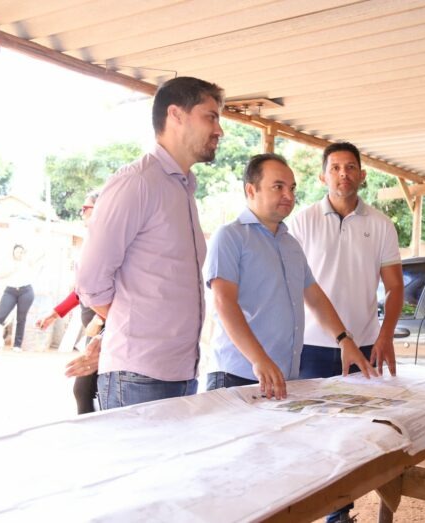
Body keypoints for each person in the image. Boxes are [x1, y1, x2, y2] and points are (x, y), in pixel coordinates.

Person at [76, 76, 224, 409]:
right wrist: (132, 326)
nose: (219, 130)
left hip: (181, 372)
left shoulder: (183, 187)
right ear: (176, 115)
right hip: (139, 375)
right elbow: (89, 280)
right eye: (211, 117)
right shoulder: (138, 183)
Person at [288, 142, 404, 523]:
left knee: (351, 436)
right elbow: (294, 284)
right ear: (322, 175)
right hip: (310, 346)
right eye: (335, 167)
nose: (343, 174)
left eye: (351, 167)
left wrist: (385, 335)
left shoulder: (381, 224)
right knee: (309, 433)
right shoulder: (302, 222)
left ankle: (339, 514)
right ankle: (310, 510)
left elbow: (395, 287)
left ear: (362, 175)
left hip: (364, 346)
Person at [204, 153, 376, 400]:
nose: (289, 195)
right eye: (278, 187)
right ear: (251, 190)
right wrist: (259, 359)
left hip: (283, 378)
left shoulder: (291, 244)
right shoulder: (230, 236)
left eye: (292, 188)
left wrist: (344, 340)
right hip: (238, 375)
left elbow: (314, 297)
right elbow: (224, 303)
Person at [36, 190, 103, 414]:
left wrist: (100, 319)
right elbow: (82, 290)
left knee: (84, 390)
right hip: (95, 333)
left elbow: (121, 285)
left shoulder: (108, 243)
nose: (81, 213)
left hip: (106, 332)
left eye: (86, 208)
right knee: (86, 390)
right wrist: (55, 313)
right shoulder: (93, 242)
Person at [0, 244, 38, 352]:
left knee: (21, 318)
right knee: (0, 317)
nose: (19, 254)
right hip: (10, 291)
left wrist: (27, 254)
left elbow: (40, 254)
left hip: (26, 291)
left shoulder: (27, 261)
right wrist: (12, 269)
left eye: (21, 252)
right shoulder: (8, 262)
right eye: (17, 251)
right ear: (13, 252)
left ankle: (17, 345)